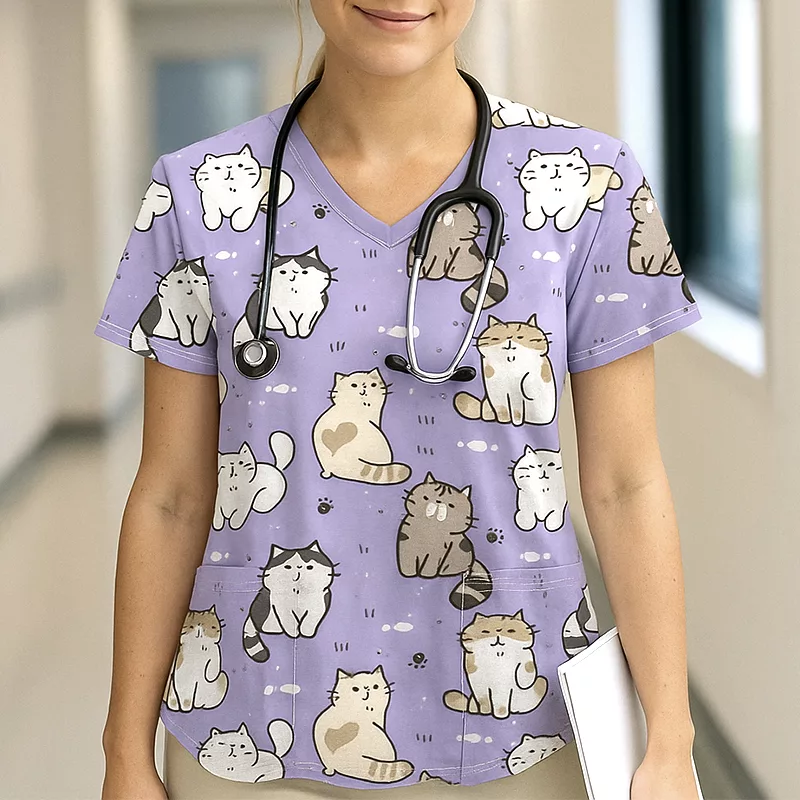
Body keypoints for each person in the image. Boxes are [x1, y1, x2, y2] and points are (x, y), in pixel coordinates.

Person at [97, 2, 704, 799]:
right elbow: (171, 497)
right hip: (250, 733)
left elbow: (627, 484)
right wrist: (124, 750)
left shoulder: (594, 186)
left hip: (520, 731)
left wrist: (670, 736)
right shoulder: (197, 193)